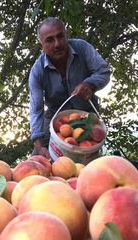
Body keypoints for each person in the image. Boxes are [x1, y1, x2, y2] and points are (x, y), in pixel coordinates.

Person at [29, 17, 111, 159]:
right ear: (40, 45)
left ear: (66, 35)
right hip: (55, 119)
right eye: (49, 40)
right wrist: (38, 145)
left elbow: (104, 71)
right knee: (39, 160)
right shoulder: (37, 71)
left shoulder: (82, 48)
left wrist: (89, 84)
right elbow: (36, 109)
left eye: (60, 36)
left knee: (87, 163)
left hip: (86, 116)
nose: (57, 44)